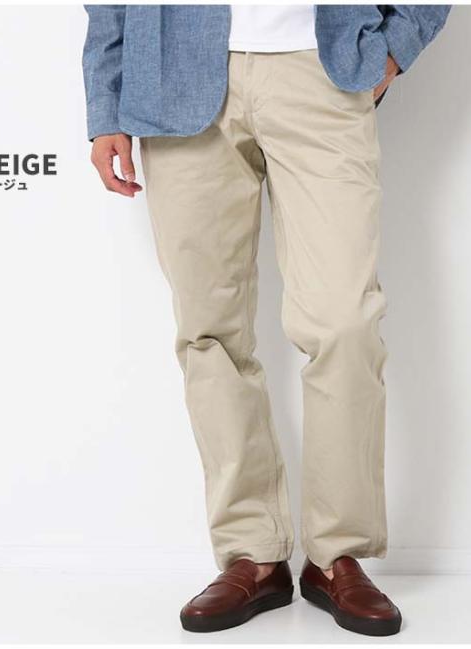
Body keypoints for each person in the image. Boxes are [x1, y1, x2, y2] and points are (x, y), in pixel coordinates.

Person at [83, 4, 450, 636]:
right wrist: (105, 103)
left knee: (344, 322)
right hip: (174, 76)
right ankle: (252, 553)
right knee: (209, 331)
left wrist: (395, 44)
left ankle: (337, 556)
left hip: (321, 69)